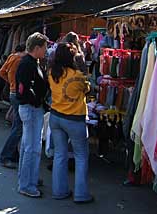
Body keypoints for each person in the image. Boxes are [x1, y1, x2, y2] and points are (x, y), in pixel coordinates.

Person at [48, 42, 93, 203]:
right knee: (81, 156)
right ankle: (81, 194)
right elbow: (87, 89)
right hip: (74, 119)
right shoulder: (77, 76)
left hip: (56, 117)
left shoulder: (52, 73)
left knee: (60, 155)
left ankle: (59, 191)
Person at [16, 32, 49, 198]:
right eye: (44, 47)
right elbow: (24, 89)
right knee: (32, 148)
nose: (46, 50)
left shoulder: (32, 62)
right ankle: (27, 184)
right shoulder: (27, 64)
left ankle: (28, 179)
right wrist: (37, 101)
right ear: (37, 48)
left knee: (28, 146)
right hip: (31, 109)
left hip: (31, 108)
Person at [0, 43, 27, 169]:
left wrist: (10, 82)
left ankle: (13, 153)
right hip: (17, 93)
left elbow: (1, 72)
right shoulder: (19, 60)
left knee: (17, 125)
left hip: (12, 92)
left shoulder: (11, 57)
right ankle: (6, 156)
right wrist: (14, 83)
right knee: (18, 127)